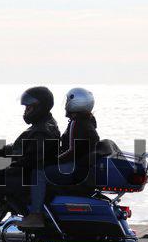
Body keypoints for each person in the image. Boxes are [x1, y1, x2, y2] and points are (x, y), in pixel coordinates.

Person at [0, 86, 60, 238]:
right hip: (32, 175)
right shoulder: (41, 125)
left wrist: (10, 168)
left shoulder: (43, 130)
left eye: (29, 108)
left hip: (32, 177)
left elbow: (31, 160)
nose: (26, 111)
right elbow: (18, 148)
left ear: (40, 107)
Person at [18, 88, 100, 228]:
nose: (66, 104)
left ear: (76, 102)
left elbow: (72, 151)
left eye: (68, 100)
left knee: (39, 173)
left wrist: (53, 161)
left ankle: (36, 215)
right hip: (81, 166)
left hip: (75, 167)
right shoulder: (88, 120)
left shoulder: (76, 123)